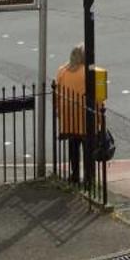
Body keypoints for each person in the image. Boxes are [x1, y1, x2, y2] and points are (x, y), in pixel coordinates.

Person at [54, 44, 87, 184]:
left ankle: (74, 175)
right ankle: (88, 177)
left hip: (69, 116)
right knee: (87, 147)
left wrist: (58, 111)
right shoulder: (86, 72)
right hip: (84, 115)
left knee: (73, 146)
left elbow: (57, 94)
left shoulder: (62, 71)